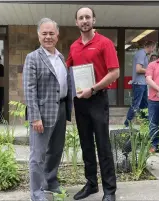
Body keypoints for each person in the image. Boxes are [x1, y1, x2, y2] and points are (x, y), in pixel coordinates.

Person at [66, 7, 120, 201]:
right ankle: (91, 184)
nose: (84, 20)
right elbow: (68, 70)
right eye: (81, 18)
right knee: (86, 144)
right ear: (76, 22)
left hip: (97, 98)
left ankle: (110, 190)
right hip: (80, 100)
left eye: (88, 17)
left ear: (94, 20)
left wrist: (94, 88)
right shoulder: (74, 46)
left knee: (103, 145)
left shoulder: (104, 43)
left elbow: (114, 73)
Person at [23, 18, 72, 201]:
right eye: (44, 33)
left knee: (55, 150)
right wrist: (35, 117)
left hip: (60, 110)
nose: (48, 37)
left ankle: (50, 182)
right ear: (39, 35)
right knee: (37, 156)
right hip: (42, 114)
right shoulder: (33, 58)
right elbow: (29, 89)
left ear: (57, 36)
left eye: (51, 33)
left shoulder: (60, 57)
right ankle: (36, 193)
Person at [124, 41, 156, 127]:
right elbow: (138, 69)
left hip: (143, 83)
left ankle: (146, 124)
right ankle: (127, 124)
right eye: (153, 48)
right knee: (136, 105)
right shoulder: (141, 54)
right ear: (150, 46)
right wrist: (151, 71)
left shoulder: (143, 54)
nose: (153, 50)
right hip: (139, 84)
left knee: (144, 105)